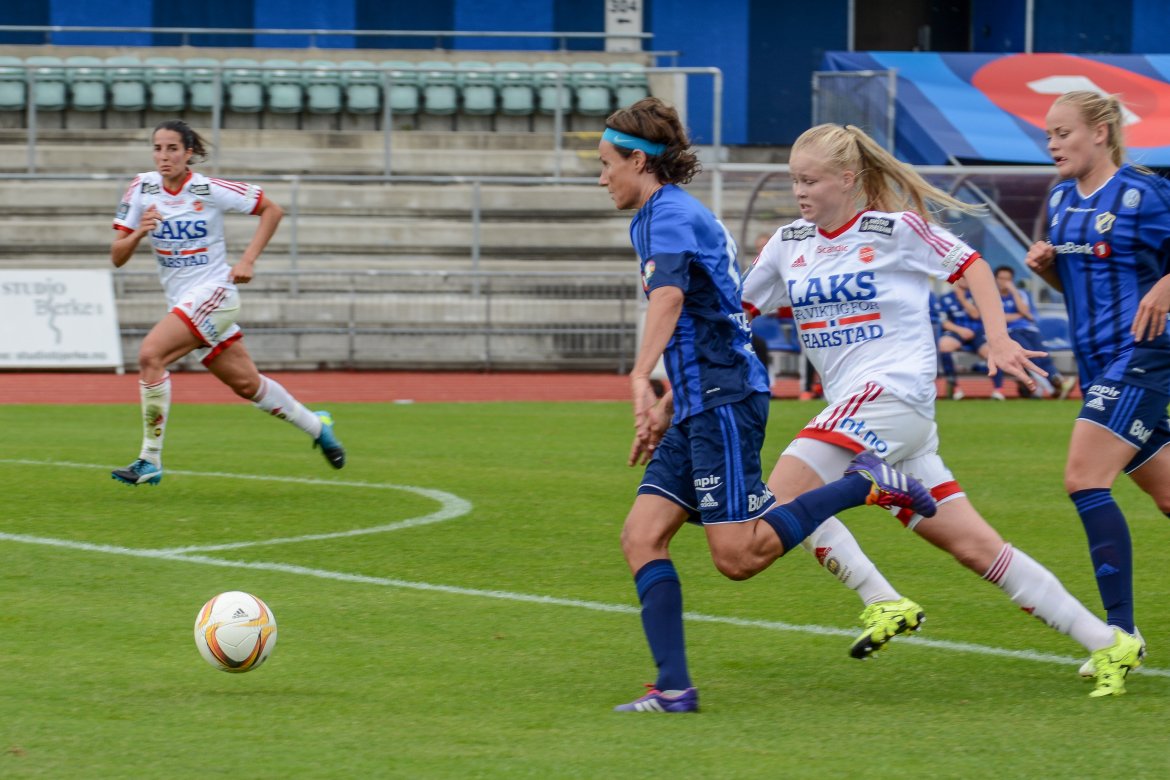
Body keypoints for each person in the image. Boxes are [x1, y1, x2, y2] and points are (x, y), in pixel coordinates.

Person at [742, 122, 1144, 697]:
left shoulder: (894, 229)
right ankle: (1107, 642)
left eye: (811, 180)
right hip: (875, 420)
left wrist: (998, 337)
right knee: (977, 548)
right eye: (794, 181)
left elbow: (972, 265)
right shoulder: (788, 243)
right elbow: (740, 309)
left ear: (848, 179)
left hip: (892, 395)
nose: (800, 191)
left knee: (779, 500)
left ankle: (880, 592)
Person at [600, 98, 937, 713]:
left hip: (724, 399)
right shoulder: (662, 212)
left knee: (737, 557)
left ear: (638, 162)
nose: (601, 177)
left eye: (606, 164)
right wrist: (669, 400)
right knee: (641, 536)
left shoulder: (665, 216)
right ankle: (674, 688)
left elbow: (671, 297)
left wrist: (639, 376)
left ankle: (866, 486)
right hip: (705, 397)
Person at [109, 120, 345, 486]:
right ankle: (318, 426)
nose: (163, 156)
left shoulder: (209, 188)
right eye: (157, 148)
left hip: (215, 294)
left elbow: (272, 209)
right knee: (248, 386)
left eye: (172, 148)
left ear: (189, 153)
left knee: (150, 355)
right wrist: (140, 231)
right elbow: (117, 256)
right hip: (185, 302)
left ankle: (149, 459)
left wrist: (248, 259)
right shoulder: (141, 188)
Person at [1025, 90, 1170, 679]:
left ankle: (1121, 635)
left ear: (1102, 132)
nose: (1052, 144)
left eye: (1063, 133)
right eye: (1050, 134)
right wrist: (1052, 271)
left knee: (1085, 478)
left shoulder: (1145, 191)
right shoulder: (1060, 199)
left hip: (1144, 355)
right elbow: (1085, 287)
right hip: (1097, 366)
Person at [994, 264, 1076, 399]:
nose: (1004, 283)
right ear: (996, 279)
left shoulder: (1021, 294)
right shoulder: (993, 296)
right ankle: (1051, 389)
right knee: (1030, 358)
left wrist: (1014, 292)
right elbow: (996, 318)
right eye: (1002, 279)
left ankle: (1058, 382)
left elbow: (1028, 314)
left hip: (1028, 328)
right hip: (1010, 332)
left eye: (1008, 279)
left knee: (1044, 356)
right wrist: (1018, 315)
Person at [936, 276, 1006, 400]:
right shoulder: (945, 298)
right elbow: (943, 321)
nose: (964, 280)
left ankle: (998, 390)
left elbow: (976, 315)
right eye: (961, 277)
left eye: (967, 278)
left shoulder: (978, 296)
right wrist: (960, 330)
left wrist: (962, 299)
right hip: (957, 331)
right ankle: (955, 387)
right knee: (943, 346)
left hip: (978, 332)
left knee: (993, 352)